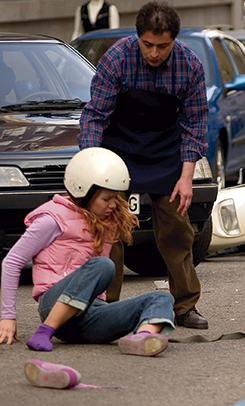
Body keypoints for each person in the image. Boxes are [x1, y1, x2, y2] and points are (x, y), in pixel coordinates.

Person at [79, 1, 209, 329]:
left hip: (166, 153)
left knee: (178, 233)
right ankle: (105, 307)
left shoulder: (189, 65)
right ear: (138, 37)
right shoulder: (117, 58)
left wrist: (186, 177)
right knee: (110, 230)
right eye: (147, 45)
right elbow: (95, 115)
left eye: (162, 46)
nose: (154, 53)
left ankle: (184, 306)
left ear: (174, 41)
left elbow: (195, 125)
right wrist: (93, 167)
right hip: (118, 151)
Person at [0, 147, 174, 357]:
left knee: (162, 299)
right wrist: (7, 317)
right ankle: (44, 332)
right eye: (106, 199)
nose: (113, 205)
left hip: (91, 314)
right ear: (84, 192)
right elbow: (11, 262)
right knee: (103, 265)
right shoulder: (52, 219)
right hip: (53, 306)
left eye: (116, 198)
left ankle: (141, 339)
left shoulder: (106, 222)